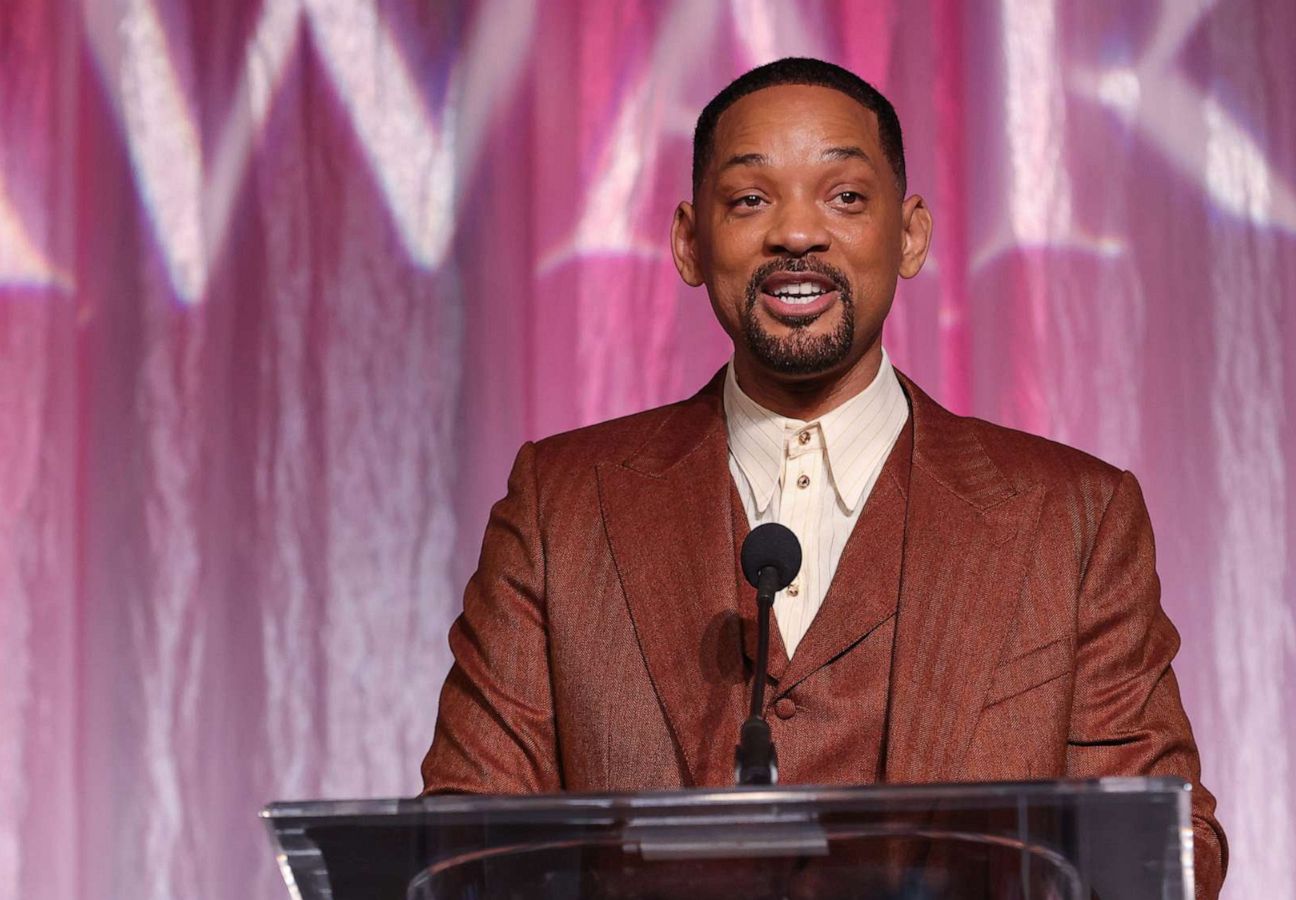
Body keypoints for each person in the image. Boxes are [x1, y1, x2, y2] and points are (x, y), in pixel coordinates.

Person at [422, 57, 1227, 898]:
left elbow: (1170, 847)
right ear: (689, 244)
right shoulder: (561, 505)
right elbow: (464, 841)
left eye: (844, 196)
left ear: (909, 234)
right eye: (750, 199)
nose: (797, 234)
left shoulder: (1074, 517)